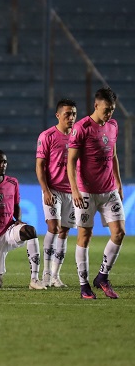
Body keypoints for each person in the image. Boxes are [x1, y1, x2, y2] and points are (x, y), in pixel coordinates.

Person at [67, 87, 125, 299]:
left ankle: (102, 276)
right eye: (106, 109)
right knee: (85, 235)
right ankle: (84, 285)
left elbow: (114, 155)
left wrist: (118, 182)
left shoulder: (113, 125)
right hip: (86, 192)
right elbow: (71, 162)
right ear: (96, 105)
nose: (109, 113)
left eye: (112, 110)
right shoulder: (81, 128)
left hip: (109, 189)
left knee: (119, 232)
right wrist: (74, 190)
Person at [0, 149, 46, 290]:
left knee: (30, 231)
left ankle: (34, 279)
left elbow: (16, 205)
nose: (2, 165)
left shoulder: (13, 182)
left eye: (4, 162)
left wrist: (19, 219)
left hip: (8, 230)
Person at [36, 99, 77, 288]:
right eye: (67, 114)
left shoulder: (78, 136)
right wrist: (45, 190)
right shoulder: (47, 136)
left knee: (65, 231)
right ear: (58, 115)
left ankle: (55, 276)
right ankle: (45, 274)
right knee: (53, 227)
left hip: (72, 191)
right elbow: (40, 165)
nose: (71, 117)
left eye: (74, 114)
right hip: (53, 190)